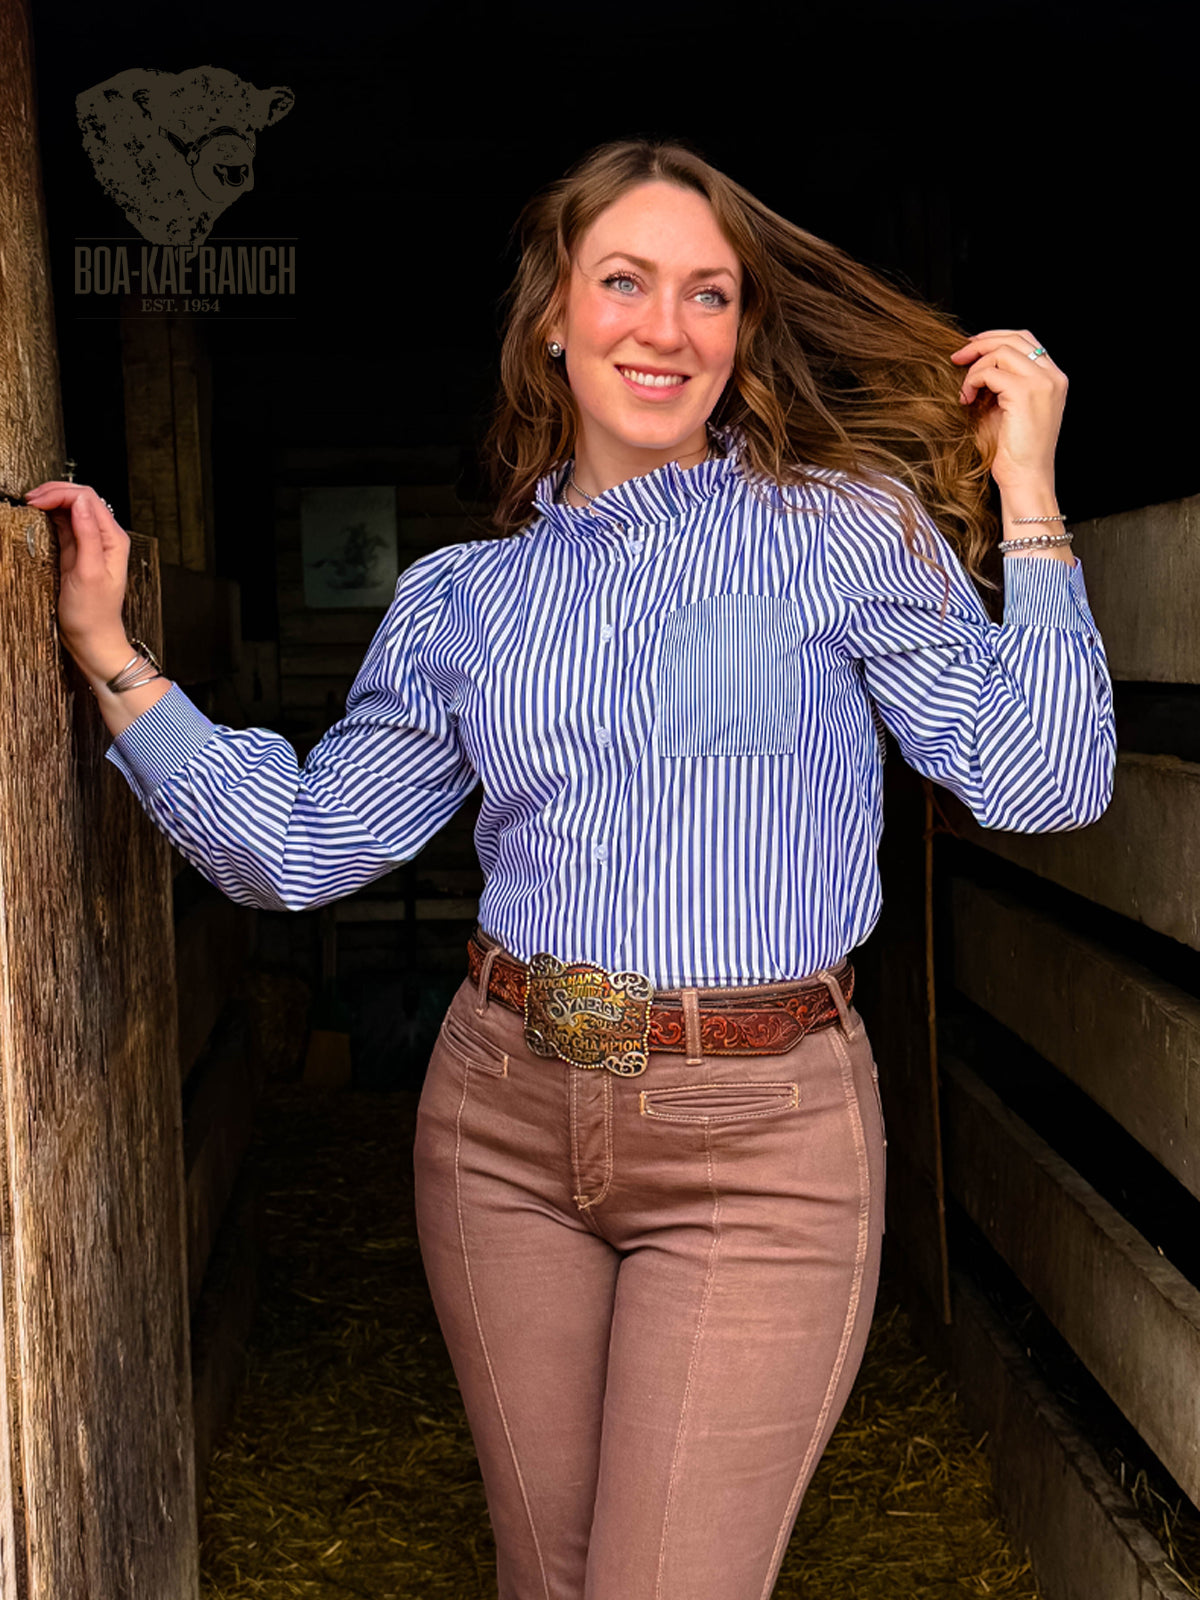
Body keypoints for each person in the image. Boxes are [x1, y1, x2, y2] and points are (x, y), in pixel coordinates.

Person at [30, 138, 1115, 1600]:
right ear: (553, 314)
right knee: (545, 1580)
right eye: (624, 282)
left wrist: (1029, 498)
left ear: (743, 329)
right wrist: (112, 656)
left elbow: (1044, 780)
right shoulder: (466, 599)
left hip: (761, 1142)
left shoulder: (845, 532)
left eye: (709, 293)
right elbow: (301, 847)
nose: (666, 327)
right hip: (502, 1124)